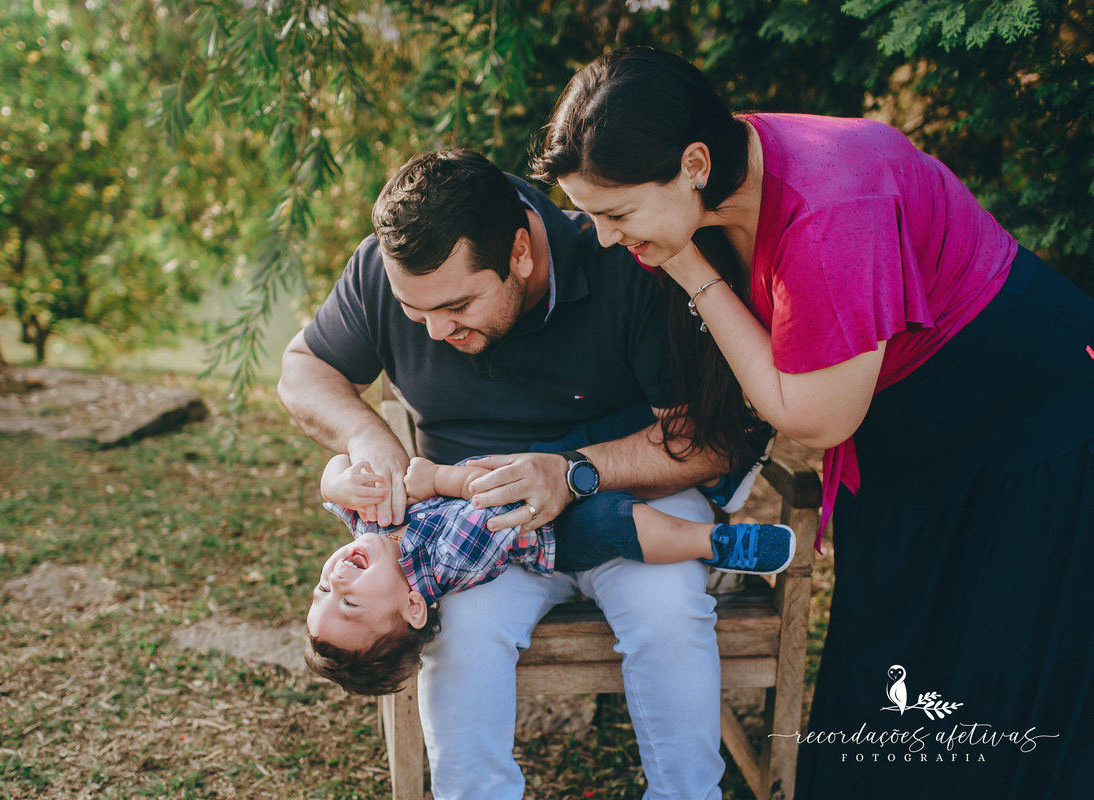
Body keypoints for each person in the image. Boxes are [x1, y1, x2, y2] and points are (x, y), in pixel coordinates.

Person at [530, 46, 1094, 800]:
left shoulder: (833, 209)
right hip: (908, 427)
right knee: (893, 658)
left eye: (618, 213)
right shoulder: (726, 174)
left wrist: (692, 270)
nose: (605, 237)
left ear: (694, 161)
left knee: (993, 669)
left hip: (1022, 417)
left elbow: (814, 415)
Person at [278, 147, 761, 800]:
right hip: (478, 540)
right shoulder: (386, 272)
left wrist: (572, 473)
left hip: (628, 500)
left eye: (456, 306)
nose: (435, 329)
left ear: (521, 253)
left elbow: (710, 441)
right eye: (416, 312)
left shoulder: (626, 264)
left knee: (669, 610)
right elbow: (302, 369)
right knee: (460, 640)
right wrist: (367, 434)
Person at [305, 452, 795, 695]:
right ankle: (716, 544)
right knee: (617, 522)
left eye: (323, 589)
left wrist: (339, 479)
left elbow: (333, 479)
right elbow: (502, 496)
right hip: (551, 531)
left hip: (544, 486)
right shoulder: (448, 558)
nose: (339, 579)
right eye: (349, 602)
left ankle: (714, 532)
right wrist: (437, 479)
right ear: (412, 604)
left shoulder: (370, 528)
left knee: (623, 512)